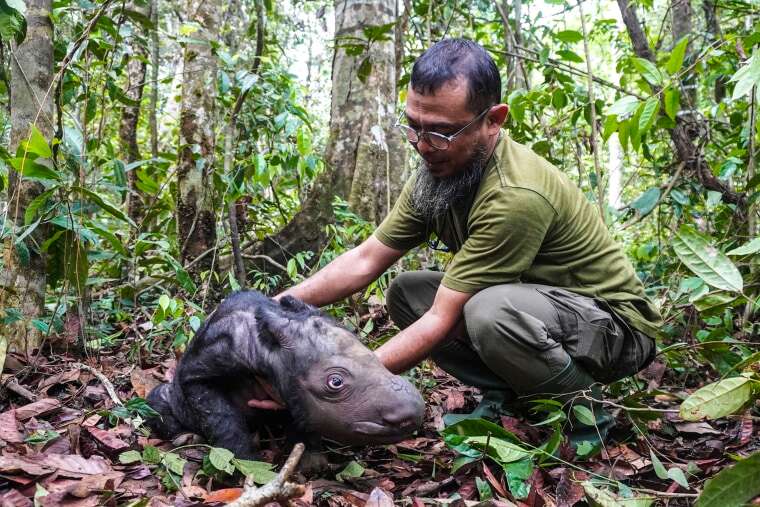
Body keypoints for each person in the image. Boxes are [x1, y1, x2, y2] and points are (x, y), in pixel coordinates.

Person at [264, 38, 662, 441]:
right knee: (407, 293)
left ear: (494, 120)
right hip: (537, 309)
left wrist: (334, 387)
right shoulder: (439, 170)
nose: (422, 146)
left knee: (489, 312)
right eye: (414, 127)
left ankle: (587, 416)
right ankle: (509, 394)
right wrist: (267, 311)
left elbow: (442, 318)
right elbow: (366, 259)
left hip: (615, 327)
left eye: (441, 133)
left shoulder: (515, 196)